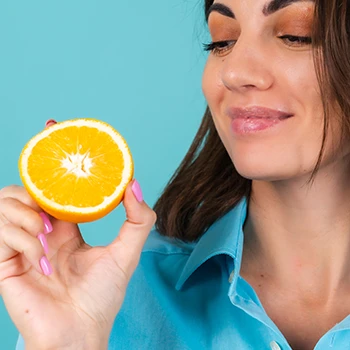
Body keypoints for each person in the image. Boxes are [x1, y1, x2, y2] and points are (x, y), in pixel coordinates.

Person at [1, 0, 350, 348]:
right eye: (222, 41)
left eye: (296, 35)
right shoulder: (111, 300)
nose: (234, 73)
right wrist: (67, 343)